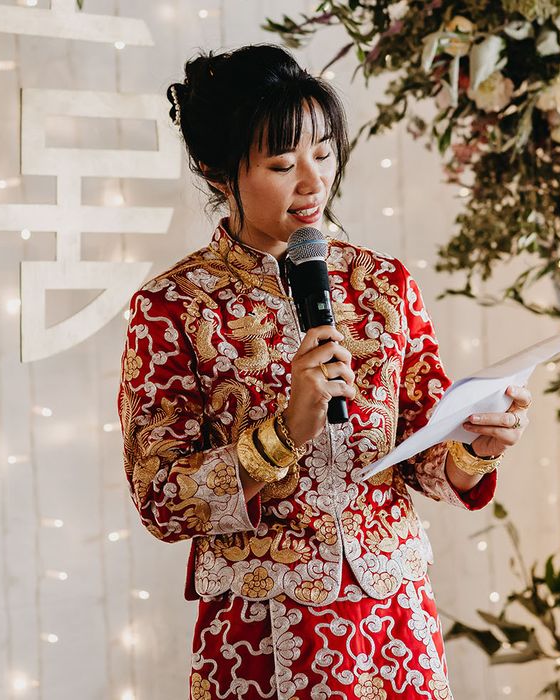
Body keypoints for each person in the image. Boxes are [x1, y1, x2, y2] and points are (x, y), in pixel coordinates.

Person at [117, 43, 532, 700]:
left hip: (393, 623)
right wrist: (283, 432)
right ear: (216, 169)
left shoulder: (384, 285)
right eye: (283, 163)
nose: (312, 181)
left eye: (324, 153)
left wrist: (472, 449)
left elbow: (422, 453)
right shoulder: (174, 307)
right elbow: (161, 498)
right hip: (261, 630)